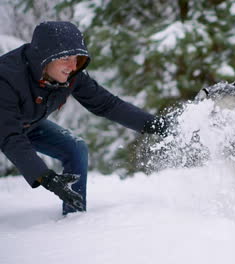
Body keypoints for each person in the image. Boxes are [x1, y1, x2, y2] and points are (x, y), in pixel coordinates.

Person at [0, 21, 167, 215]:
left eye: (76, 58)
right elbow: (9, 135)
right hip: (7, 128)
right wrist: (44, 177)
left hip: (27, 124)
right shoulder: (7, 77)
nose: (72, 66)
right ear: (45, 57)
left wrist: (154, 124)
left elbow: (108, 104)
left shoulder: (72, 75)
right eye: (66, 59)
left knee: (75, 148)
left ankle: (75, 217)